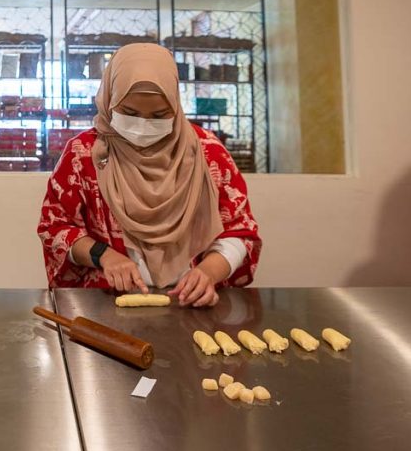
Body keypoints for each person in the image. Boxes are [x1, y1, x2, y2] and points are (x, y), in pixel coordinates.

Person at [37, 43, 261, 307]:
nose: (143, 124)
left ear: (175, 105)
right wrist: (104, 255)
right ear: (110, 101)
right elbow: (55, 228)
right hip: (106, 305)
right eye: (130, 113)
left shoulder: (207, 155)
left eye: (159, 115)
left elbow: (240, 231)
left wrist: (208, 273)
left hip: (190, 305)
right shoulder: (83, 155)